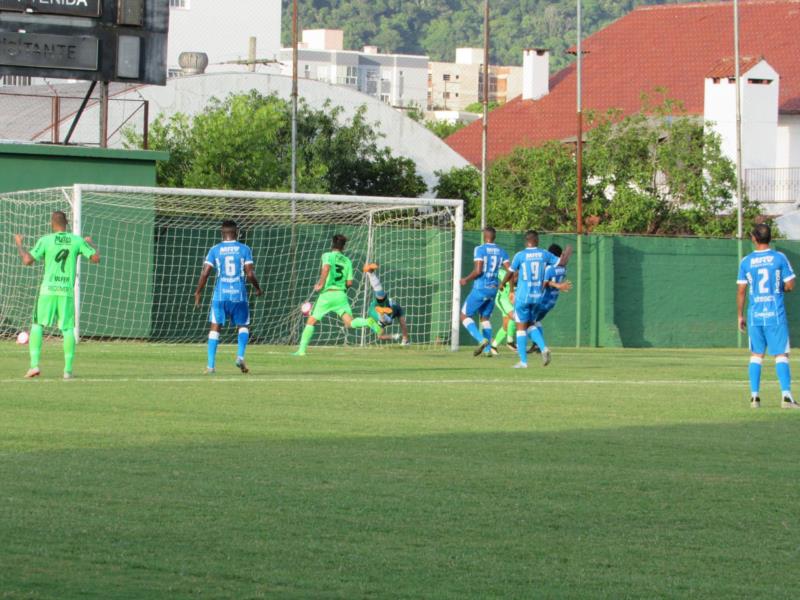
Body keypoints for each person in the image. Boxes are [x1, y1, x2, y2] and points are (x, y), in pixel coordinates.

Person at [14, 211, 100, 379]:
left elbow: (27, 260)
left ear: (52, 224)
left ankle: (34, 366)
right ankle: (67, 371)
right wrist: (90, 244)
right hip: (66, 292)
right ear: (66, 224)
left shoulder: (46, 240)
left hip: (48, 291)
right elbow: (96, 258)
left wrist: (19, 244)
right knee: (67, 329)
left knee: (38, 325)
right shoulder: (77, 240)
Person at [737, 223, 799, 408]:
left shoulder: (746, 261)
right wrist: (779, 288)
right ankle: (786, 396)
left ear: (754, 238)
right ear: (770, 238)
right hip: (775, 314)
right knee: (781, 355)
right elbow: (790, 285)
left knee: (756, 355)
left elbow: (741, 290)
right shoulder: (779, 258)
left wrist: (740, 316)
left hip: (755, 314)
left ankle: (754, 397)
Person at [293, 234, 381, 356]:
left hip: (327, 295)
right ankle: (368, 322)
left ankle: (301, 351)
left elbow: (326, 268)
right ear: (343, 247)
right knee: (349, 323)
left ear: (332, 244)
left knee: (311, 321)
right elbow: (349, 283)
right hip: (341, 296)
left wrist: (320, 284)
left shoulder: (327, 255)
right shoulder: (347, 261)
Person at [194, 220, 263, 374]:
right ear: (236, 232)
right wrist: (258, 288)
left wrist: (198, 292)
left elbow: (205, 273)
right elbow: (250, 273)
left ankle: (210, 366)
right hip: (239, 294)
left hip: (220, 295)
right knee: (243, 326)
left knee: (215, 327)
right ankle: (240, 356)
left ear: (221, 233)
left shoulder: (215, 249)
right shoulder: (244, 249)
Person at [501, 231, 571, 368]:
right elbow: (561, 262)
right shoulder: (544, 254)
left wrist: (502, 283)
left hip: (523, 296)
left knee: (521, 328)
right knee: (531, 325)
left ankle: (523, 362)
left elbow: (510, 272)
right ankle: (543, 348)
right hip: (537, 297)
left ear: (526, 241)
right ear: (537, 240)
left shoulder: (520, 255)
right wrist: (568, 252)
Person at [459, 226, 510, 357]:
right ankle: (487, 351)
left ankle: (481, 340)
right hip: (493, 290)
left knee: (464, 316)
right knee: (485, 318)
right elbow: (511, 270)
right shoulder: (501, 251)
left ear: (484, 237)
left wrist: (466, 279)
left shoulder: (480, 249)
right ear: (494, 237)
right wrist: (503, 283)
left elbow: (478, 271)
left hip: (481, 288)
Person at [528, 243, 572, 353]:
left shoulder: (549, 268)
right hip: (552, 301)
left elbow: (545, 283)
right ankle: (537, 345)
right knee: (536, 321)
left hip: (543, 300)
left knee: (527, 322)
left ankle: (540, 346)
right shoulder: (563, 269)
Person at [363, 263, 410, 345]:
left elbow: (380, 336)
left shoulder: (373, 321)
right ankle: (370, 273)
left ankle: (370, 273)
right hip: (387, 307)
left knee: (386, 321)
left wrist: (393, 336)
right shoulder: (397, 309)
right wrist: (395, 336)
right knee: (381, 297)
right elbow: (402, 323)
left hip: (376, 309)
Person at [490, 266, 517, 352]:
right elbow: (493, 271)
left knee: (506, 325)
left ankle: (493, 346)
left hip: (510, 302)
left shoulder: (523, 280)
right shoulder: (504, 274)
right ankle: (510, 341)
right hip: (502, 299)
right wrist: (491, 283)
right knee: (514, 317)